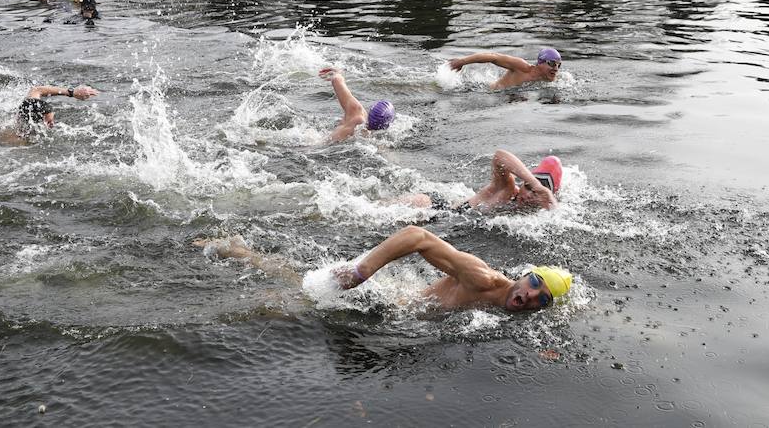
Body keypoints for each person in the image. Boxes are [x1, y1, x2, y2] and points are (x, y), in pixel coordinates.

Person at [196, 226, 573, 312]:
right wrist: (363, 271)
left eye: (543, 301)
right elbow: (417, 235)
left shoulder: (522, 313)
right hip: (393, 306)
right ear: (525, 273)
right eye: (536, 282)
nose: (531, 296)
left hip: (407, 309)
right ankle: (238, 251)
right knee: (297, 297)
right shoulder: (481, 277)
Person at [403, 149, 560, 213]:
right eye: (528, 187)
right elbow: (500, 156)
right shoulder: (508, 190)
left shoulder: (538, 219)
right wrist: (537, 185)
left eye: (538, 194)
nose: (531, 194)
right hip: (437, 209)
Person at [318, 67, 395, 142]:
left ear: (371, 110)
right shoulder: (375, 140)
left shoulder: (356, 111)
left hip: (318, 143)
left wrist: (337, 73)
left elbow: (337, 80)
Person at [448, 47, 562, 90]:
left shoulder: (550, 79)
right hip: (490, 93)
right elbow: (493, 57)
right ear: (540, 63)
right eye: (552, 63)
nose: (556, 68)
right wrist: (461, 62)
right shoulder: (522, 67)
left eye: (558, 65)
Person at [14, 85, 99, 139]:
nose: (52, 124)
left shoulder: (23, 114)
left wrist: (72, 92)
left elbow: (37, 90)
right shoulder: (18, 146)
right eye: (49, 122)